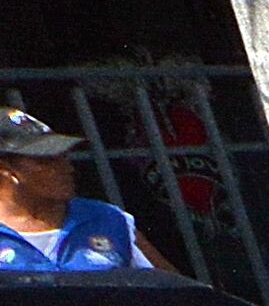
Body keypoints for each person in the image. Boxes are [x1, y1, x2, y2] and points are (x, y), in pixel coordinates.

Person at [0, 106, 154, 270]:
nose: (67, 168)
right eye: (46, 161)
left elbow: (164, 282)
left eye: (64, 157)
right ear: (5, 168)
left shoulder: (107, 218)